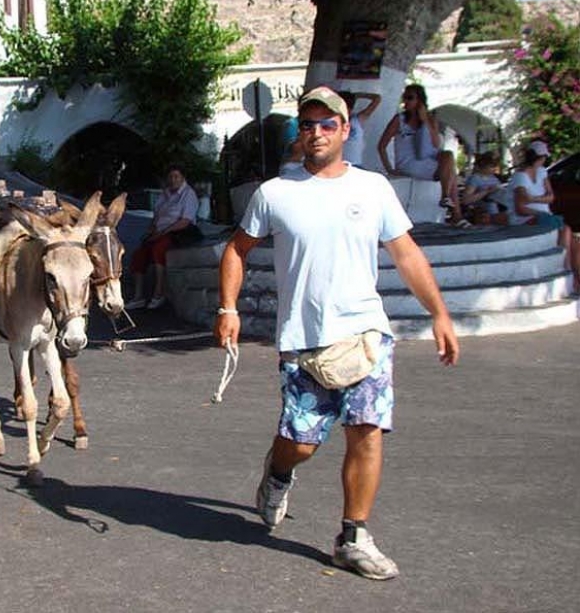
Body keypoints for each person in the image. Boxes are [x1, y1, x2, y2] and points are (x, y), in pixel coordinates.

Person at [215, 86, 459, 581]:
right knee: (302, 443)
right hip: (303, 342)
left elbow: (406, 252)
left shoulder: (372, 189)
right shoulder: (276, 193)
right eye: (308, 124)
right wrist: (228, 308)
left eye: (329, 124)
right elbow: (236, 250)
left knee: (366, 432)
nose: (318, 132)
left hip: (366, 333)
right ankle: (278, 472)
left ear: (347, 130)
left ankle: (354, 536)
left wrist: (439, 312)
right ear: (299, 134)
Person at [377, 84, 469, 228]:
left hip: (427, 160)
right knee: (450, 171)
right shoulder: (399, 120)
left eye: (410, 98)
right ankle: (455, 213)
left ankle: (446, 199)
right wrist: (390, 169)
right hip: (409, 163)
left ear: (419, 100)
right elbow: (381, 145)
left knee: (448, 156)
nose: (405, 102)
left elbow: (436, 144)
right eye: (404, 98)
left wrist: (425, 121)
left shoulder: (430, 120)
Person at [125, 164, 200, 310]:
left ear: (183, 178)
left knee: (159, 249)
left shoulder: (188, 194)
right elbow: (156, 217)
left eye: (176, 176)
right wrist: (151, 231)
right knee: (139, 255)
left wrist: (163, 232)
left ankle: (159, 293)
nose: (173, 180)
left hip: (177, 232)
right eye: (171, 177)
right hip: (159, 232)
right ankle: (138, 296)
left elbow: (185, 221)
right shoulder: (165, 194)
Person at [508, 140, 575, 272]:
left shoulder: (542, 172)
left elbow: (551, 197)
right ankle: (565, 267)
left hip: (542, 215)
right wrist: (541, 207)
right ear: (540, 157)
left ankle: (574, 278)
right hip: (526, 219)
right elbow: (521, 208)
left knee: (575, 244)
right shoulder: (520, 176)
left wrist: (534, 198)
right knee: (565, 229)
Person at [461, 151, 508, 225]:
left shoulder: (494, 179)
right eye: (492, 166)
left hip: (495, 211)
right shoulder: (475, 178)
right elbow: (466, 200)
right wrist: (486, 192)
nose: (494, 168)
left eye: (495, 165)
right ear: (484, 165)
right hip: (481, 212)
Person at [337, 90, 381, 167]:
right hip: (336, 166)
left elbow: (377, 99)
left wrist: (358, 95)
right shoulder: (330, 122)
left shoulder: (357, 119)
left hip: (355, 165)